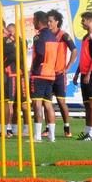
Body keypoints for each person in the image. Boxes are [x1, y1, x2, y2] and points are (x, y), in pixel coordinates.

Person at [47, 9, 77, 138]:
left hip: (59, 73)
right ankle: (47, 128)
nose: (48, 23)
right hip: (47, 74)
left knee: (61, 102)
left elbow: (74, 50)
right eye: (47, 21)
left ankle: (67, 127)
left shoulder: (63, 35)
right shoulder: (46, 35)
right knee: (46, 102)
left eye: (50, 21)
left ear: (57, 22)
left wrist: (68, 66)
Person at [29, 11, 58, 142]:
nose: (33, 23)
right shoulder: (53, 36)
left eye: (34, 20)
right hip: (50, 74)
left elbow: (40, 54)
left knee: (37, 104)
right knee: (48, 104)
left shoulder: (39, 36)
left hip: (39, 74)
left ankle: (37, 136)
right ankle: (52, 136)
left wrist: (33, 69)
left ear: (39, 21)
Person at [73, 12, 92, 140]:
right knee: (87, 105)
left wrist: (89, 73)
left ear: (90, 21)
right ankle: (87, 130)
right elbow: (83, 58)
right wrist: (77, 73)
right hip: (83, 74)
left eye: (83, 20)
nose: (82, 23)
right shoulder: (85, 37)